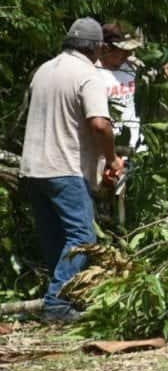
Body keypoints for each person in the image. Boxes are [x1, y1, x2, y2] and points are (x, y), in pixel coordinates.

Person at [19, 18, 124, 323]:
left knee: (55, 236)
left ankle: (63, 299)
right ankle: (56, 304)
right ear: (96, 48)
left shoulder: (44, 70)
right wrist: (112, 158)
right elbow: (100, 124)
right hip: (63, 168)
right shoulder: (88, 75)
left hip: (33, 169)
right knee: (82, 234)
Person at [94, 23, 168, 191]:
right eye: (122, 50)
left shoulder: (133, 68)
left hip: (135, 149)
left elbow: (157, 79)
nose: (127, 54)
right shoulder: (91, 73)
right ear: (105, 48)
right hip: (105, 154)